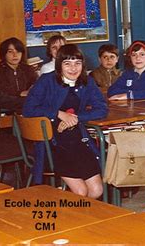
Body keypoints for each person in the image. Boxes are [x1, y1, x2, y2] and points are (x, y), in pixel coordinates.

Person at [23, 44, 107, 198]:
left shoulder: (87, 81)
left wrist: (74, 119)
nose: (73, 68)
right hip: (51, 142)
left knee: (96, 191)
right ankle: (74, 217)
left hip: (78, 139)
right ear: (59, 65)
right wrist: (58, 114)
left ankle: (80, 217)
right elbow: (28, 109)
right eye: (67, 63)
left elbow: (101, 109)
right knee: (81, 192)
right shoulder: (46, 80)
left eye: (77, 63)